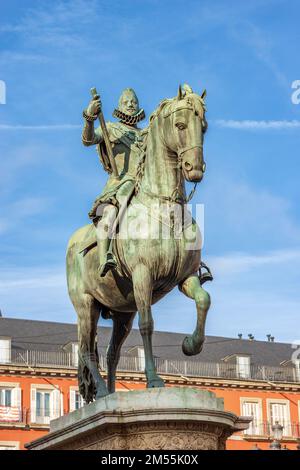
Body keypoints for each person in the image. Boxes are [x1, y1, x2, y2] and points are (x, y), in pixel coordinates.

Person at [82, 88, 146, 277]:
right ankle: (104, 257)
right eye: (126, 102)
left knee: (176, 212)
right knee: (110, 212)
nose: (130, 104)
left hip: (145, 185)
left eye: (133, 101)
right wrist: (89, 117)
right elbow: (88, 139)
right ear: (119, 106)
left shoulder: (147, 134)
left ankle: (191, 262)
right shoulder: (110, 128)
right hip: (120, 184)